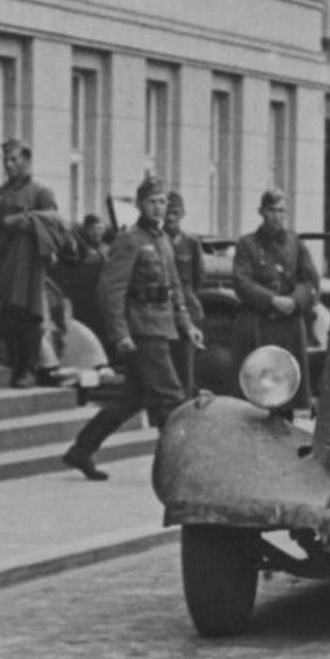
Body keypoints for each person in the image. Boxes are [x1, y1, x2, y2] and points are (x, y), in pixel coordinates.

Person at [60, 176, 201, 481]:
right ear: (139, 204)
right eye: (152, 201)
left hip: (162, 327)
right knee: (170, 398)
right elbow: (110, 291)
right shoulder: (130, 240)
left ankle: (81, 451)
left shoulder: (162, 240)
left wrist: (187, 324)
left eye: (163, 201)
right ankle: (177, 470)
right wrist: (120, 333)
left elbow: (174, 288)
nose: (158, 207)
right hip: (141, 330)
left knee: (131, 400)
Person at [0, 140, 65, 388]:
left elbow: (54, 224)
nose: (9, 165)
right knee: (6, 315)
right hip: (3, 261)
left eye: (14, 159)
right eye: (6, 160)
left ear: (27, 161)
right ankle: (14, 364)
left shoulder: (41, 193)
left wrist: (23, 220)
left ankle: (29, 368)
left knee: (29, 315)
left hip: (28, 265)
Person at [231, 188, 321, 412]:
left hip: (289, 326)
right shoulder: (247, 244)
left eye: (282, 211)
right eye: (272, 210)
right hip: (259, 323)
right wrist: (271, 300)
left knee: (288, 388)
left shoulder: (295, 243)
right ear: (262, 212)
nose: (277, 216)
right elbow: (242, 282)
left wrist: (294, 300)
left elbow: (311, 281)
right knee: (256, 392)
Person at [162, 191, 207, 396]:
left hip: (187, 308)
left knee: (186, 365)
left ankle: (186, 402)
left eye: (175, 213)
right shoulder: (157, 240)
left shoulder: (191, 242)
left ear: (182, 214)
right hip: (162, 311)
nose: (170, 218)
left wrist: (187, 300)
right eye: (167, 213)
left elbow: (198, 277)